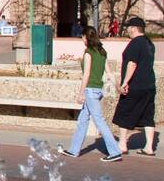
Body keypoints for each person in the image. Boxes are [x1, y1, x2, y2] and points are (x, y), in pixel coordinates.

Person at [58, 28, 123, 161]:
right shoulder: (102, 52)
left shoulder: (88, 53)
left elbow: (86, 74)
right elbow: (109, 73)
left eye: (82, 37)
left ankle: (115, 151)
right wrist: (118, 87)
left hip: (90, 90)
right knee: (83, 120)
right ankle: (74, 150)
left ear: (86, 38)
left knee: (99, 121)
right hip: (98, 90)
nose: (82, 40)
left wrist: (80, 93)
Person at [113, 16, 157, 156]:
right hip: (149, 85)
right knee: (148, 115)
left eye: (128, 27)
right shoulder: (149, 43)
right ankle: (149, 147)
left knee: (125, 111)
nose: (127, 29)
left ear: (133, 28)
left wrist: (125, 82)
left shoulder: (135, 43)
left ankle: (122, 145)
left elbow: (132, 64)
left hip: (135, 85)